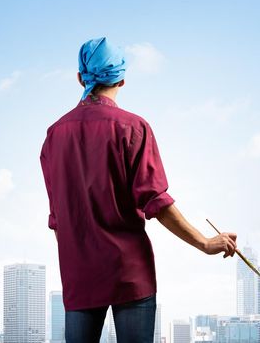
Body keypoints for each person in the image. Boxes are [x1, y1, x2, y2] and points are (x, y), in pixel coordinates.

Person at [40, 37, 238, 343]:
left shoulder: (54, 135)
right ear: (121, 79)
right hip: (129, 271)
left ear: (80, 77)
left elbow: (58, 219)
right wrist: (205, 243)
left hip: (79, 273)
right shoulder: (133, 128)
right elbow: (155, 201)